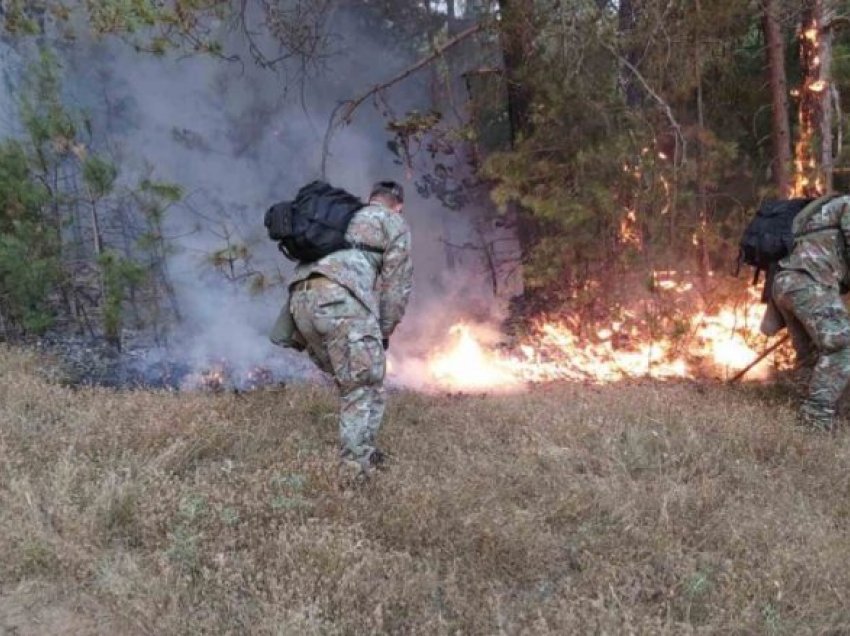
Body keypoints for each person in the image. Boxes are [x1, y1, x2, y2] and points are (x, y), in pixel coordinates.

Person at [270, 180, 413, 475]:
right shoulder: (393, 222)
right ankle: (355, 472)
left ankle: (365, 451)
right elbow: (396, 287)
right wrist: (384, 330)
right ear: (397, 206)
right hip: (339, 301)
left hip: (300, 302)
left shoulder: (345, 216)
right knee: (362, 383)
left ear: (370, 198)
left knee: (358, 380)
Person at [772, 193, 850, 431]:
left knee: (812, 355)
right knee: (842, 345)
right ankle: (815, 419)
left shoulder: (831, 206)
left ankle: (802, 416)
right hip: (808, 284)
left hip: (786, 283)